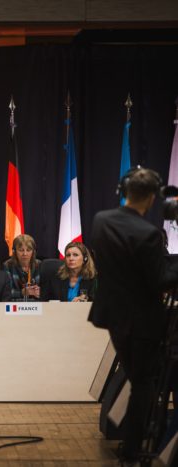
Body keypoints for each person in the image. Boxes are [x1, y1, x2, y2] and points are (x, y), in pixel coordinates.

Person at [89, 167, 178, 463]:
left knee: (135, 376)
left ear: (124, 191)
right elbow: (160, 280)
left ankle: (131, 446)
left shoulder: (101, 221)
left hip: (113, 316)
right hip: (144, 321)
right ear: (152, 198)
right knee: (143, 384)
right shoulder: (149, 233)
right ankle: (132, 450)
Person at [3, 234, 41, 301]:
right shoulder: (7, 266)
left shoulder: (40, 265)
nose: (25, 254)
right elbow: (5, 293)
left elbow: (47, 291)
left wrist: (40, 291)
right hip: (15, 306)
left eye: (28, 250)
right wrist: (22, 292)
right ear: (14, 252)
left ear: (33, 252)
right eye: (21, 250)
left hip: (38, 306)